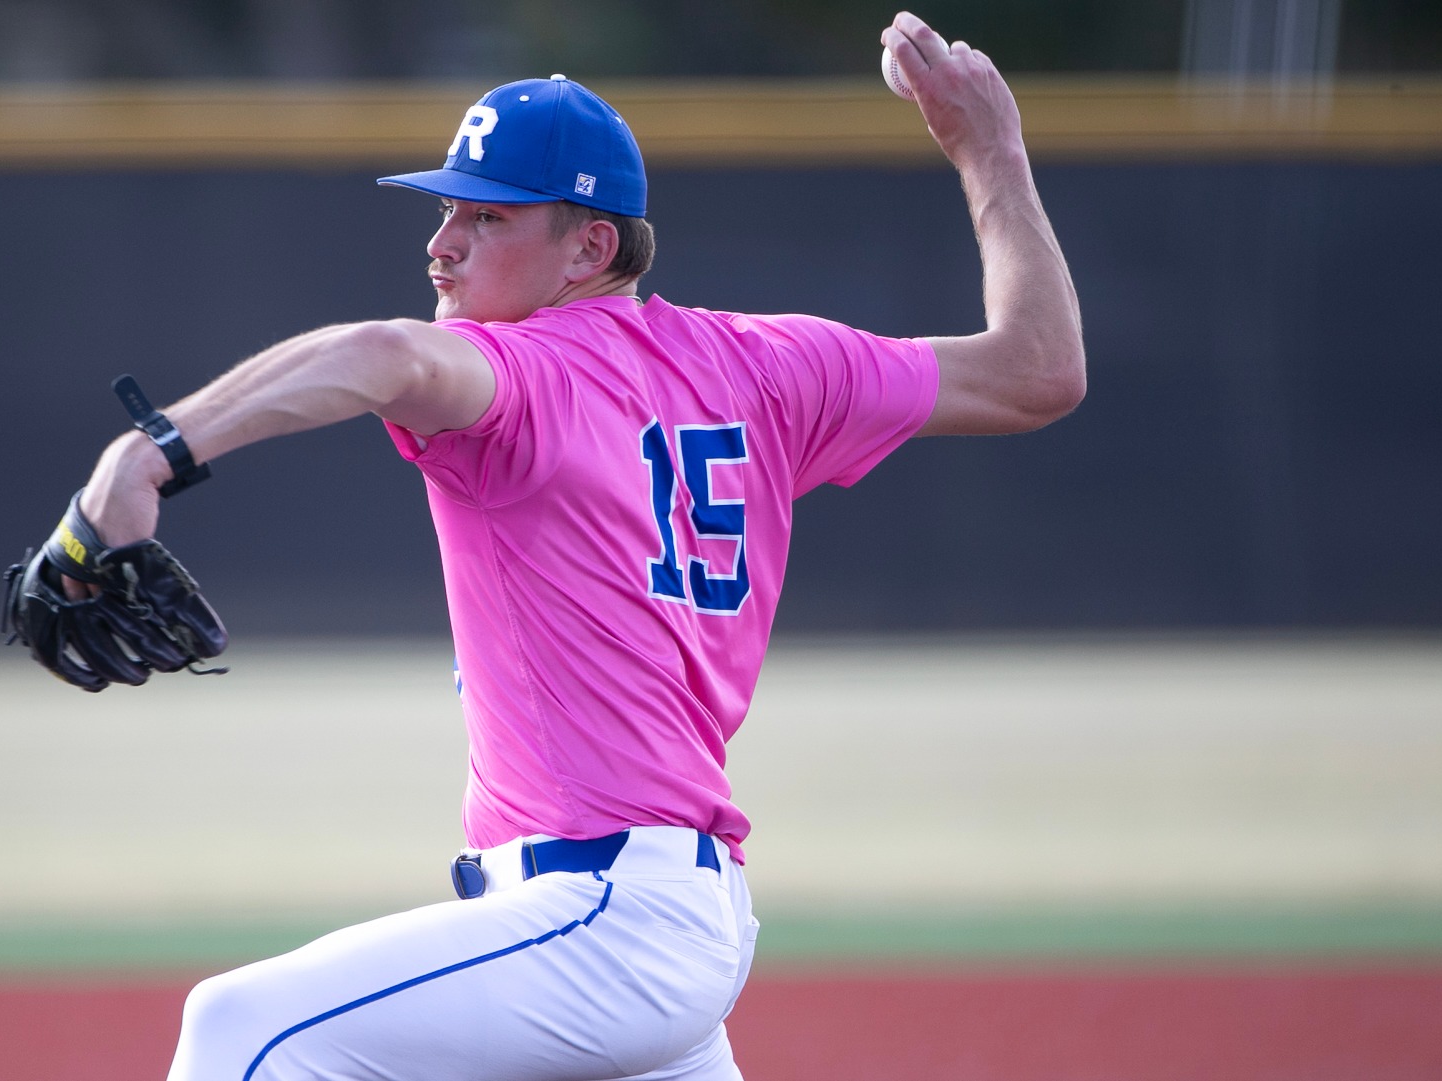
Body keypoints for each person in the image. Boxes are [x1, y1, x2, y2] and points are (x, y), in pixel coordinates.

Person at [70, 13, 1082, 1079]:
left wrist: (147, 456)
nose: (441, 241)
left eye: (487, 217)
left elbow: (377, 355)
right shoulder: (772, 367)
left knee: (237, 1029)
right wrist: (990, 152)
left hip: (603, 920)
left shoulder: (526, 376)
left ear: (589, 247)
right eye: (447, 208)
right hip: (658, 917)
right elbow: (1037, 367)